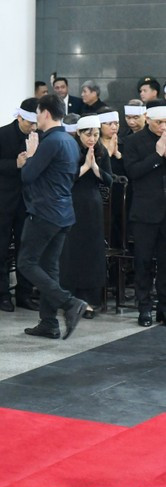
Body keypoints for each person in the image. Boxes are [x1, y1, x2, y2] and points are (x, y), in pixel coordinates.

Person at [18, 94, 86, 340]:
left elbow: (28, 176)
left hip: (45, 212)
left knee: (26, 263)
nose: (36, 118)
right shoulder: (69, 141)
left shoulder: (50, 142)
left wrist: (31, 154)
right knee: (49, 267)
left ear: (46, 112)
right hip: (64, 213)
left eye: (37, 113)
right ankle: (49, 323)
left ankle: (69, 303)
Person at [0, 98, 40, 312]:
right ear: (19, 117)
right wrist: (15, 164)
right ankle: (3, 294)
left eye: (35, 124)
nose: (32, 128)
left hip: (29, 201)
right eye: (28, 123)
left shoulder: (39, 135)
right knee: (1, 248)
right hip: (4, 200)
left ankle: (24, 294)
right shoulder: (1, 134)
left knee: (26, 249)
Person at [58, 115, 113, 321]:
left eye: (96, 134)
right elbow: (64, 179)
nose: (92, 139)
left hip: (92, 206)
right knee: (71, 252)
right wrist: (84, 168)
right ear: (78, 134)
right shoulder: (69, 150)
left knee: (91, 251)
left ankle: (90, 301)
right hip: (71, 204)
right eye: (88, 134)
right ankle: (70, 300)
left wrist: (95, 167)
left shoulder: (101, 151)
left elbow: (109, 181)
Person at [123, 100, 166, 327]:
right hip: (144, 213)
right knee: (143, 262)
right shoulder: (133, 142)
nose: (163, 127)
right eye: (159, 122)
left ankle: (164, 307)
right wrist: (157, 156)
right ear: (148, 119)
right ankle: (144, 307)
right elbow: (133, 172)